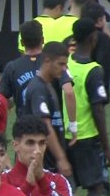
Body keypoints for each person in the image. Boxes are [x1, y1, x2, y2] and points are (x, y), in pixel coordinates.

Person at [64, 19, 110, 196]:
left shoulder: (66, 65)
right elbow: (98, 110)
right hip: (86, 138)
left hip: (65, 137)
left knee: (66, 189)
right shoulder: (93, 70)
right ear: (93, 39)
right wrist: (107, 148)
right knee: (95, 187)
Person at [1, 20, 77, 136]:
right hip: (52, 130)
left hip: (24, 132)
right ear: (42, 40)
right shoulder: (54, 62)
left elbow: (2, 100)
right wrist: (72, 124)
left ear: (22, 42)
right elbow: (69, 92)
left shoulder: (12, 67)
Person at [19, 42, 74, 178]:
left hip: (50, 159)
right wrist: (61, 158)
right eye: (61, 64)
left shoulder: (48, 85)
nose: (64, 69)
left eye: (65, 65)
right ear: (47, 61)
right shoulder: (38, 88)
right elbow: (45, 125)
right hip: (45, 161)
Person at [80, 1, 110, 98]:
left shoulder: (71, 37)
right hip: (94, 93)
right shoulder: (103, 39)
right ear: (99, 21)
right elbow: (103, 69)